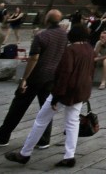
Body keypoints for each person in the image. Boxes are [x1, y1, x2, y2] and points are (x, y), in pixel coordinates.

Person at [5, 23, 94, 168]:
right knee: (72, 122)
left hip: (64, 92)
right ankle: (69, 156)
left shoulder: (70, 51)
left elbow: (64, 74)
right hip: (80, 91)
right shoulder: (90, 49)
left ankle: (25, 153)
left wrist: (56, 96)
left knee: (41, 120)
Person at [0, 9, 68, 148]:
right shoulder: (64, 35)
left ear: (47, 20)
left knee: (18, 106)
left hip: (37, 76)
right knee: (46, 108)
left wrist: (24, 78)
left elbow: (34, 58)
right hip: (52, 76)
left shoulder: (42, 36)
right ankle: (44, 140)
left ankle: (3, 136)